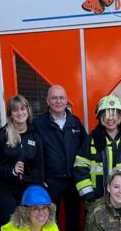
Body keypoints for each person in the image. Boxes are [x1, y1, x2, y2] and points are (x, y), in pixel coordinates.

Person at [74, 94, 121, 208]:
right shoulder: (90, 140)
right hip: (96, 202)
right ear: (99, 117)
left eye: (114, 114)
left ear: (120, 117)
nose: (110, 118)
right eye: (105, 115)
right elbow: (80, 169)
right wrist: (89, 196)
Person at [33, 85, 87, 231]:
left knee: (73, 220)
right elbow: (33, 154)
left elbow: (85, 150)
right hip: (50, 182)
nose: (58, 101)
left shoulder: (75, 122)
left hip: (73, 181)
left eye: (61, 98)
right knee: (49, 221)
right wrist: (40, 180)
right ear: (47, 101)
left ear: (66, 100)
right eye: (54, 98)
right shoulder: (38, 124)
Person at [0, 95, 44, 227]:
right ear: (10, 114)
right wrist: (11, 171)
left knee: (30, 226)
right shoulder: (1, 136)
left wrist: (39, 191)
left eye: (23, 108)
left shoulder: (35, 135)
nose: (20, 113)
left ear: (28, 110)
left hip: (29, 189)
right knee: (11, 226)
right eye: (15, 110)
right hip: (5, 190)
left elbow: (39, 167)